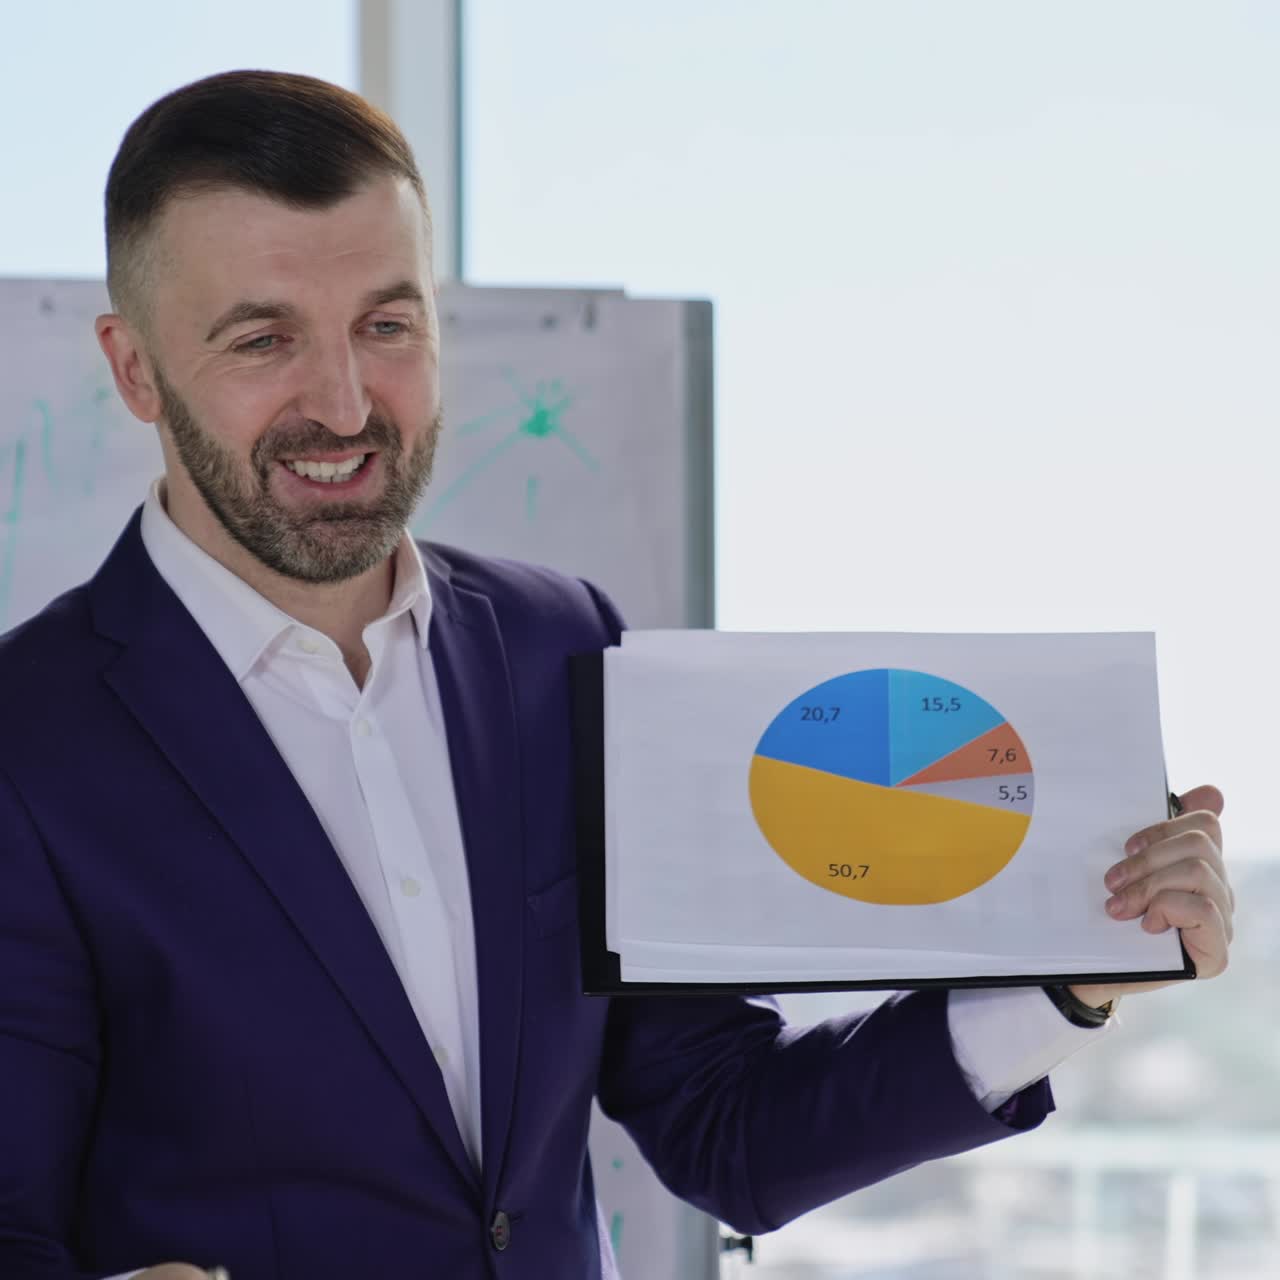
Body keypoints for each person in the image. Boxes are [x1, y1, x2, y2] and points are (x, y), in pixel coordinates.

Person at [0, 70, 1233, 1280]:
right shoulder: (27, 741)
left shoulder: (558, 648)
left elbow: (723, 1123)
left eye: (386, 325)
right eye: (263, 338)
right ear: (135, 368)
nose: (343, 401)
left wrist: (1065, 978)